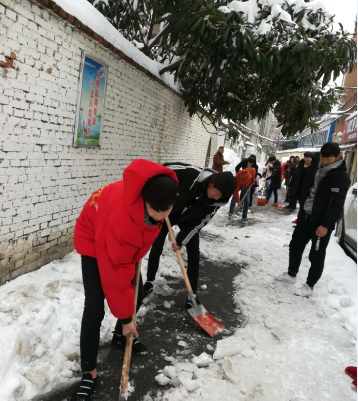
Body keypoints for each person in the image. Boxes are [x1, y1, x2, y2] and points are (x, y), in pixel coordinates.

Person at [70, 159, 178, 401]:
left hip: (120, 241)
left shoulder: (158, 197)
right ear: (144, 201)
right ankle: (89, 372)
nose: (161, 216)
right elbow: (115, 271)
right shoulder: (122, 222)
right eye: (155, 211)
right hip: (93, 237)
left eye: (166, 210)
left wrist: (126, 317)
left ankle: (120, 336)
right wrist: (127, 317)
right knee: (95, 306)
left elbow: (133, 249)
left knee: (137, 293)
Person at [144, 163, 237, 306]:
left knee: (194, 254)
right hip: (170, 212)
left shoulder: (215, 204)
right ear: (212, 184)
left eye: (221, 197)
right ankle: (149, 282)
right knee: (157, 244)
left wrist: (180, 241)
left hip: (189, 220)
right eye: (218, 194)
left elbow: (198, 224)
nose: (217, 199)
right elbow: (164, 170)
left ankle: (192, 294)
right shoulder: (192, 175)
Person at [276, 143, 350, 297]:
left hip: (321, 222)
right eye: (323, 157)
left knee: (316, 254)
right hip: (305, 215)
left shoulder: (340, 177)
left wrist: (326, 224)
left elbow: (336, 204)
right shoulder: (314, 166)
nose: (324, 161)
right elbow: (305, 186)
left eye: (328, 159)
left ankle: (309, 286)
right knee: (295, 245)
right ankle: (291, 273)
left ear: (337, 157)